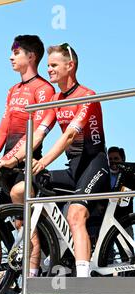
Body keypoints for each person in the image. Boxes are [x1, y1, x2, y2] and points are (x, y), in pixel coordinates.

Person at [0, 35, 55, 291]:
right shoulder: (13, 90)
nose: (11, 57)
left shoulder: (44, 89)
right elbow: (2, 128)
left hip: (24, 161)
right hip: (5, 161)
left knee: (24, 221)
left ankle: (30, 279)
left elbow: (37, 133)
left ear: (31, 56)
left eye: (16, 52)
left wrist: (12, 158)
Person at [32, 43, 109, 279]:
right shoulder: (56, 98)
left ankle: (82, 283)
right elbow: (39, 132)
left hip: (95, 164)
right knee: (26, 189)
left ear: (70, 65)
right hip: (73, 167)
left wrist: (43, 160)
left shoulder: (87, 95)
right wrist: (9, 159)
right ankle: (51, 255)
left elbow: (70, 136)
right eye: (47, 65)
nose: (49, 69)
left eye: (54, 65)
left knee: (75, 213)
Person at [108, 146, 133, 216]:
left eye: (116, 158)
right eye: (110, 159)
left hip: (125, 219)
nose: (113, 161)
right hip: (104, 218)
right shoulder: (103, 174)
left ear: (123, 160)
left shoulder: (129, 174)